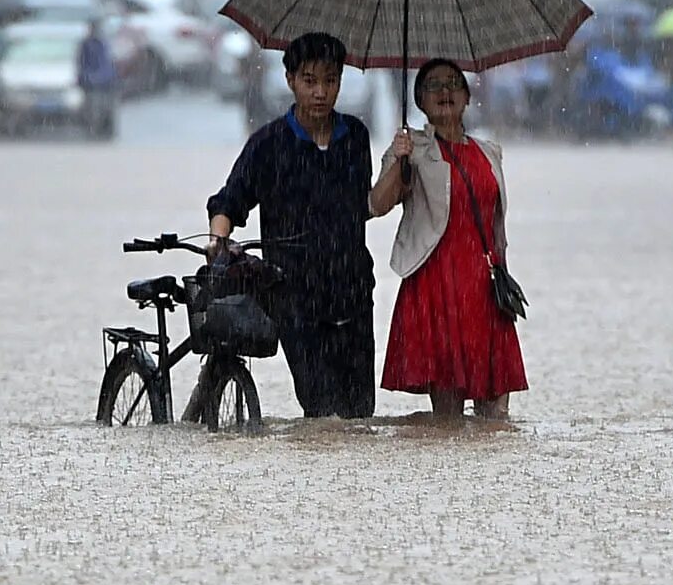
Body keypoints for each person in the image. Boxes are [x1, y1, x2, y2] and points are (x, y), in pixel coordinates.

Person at [208, 32, 376, 419]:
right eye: (310, 80)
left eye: (330, 80)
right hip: (294, 295)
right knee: (322, 413)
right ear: (290, 80)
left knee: (360, 415)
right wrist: (219, 237)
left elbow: (363, 206)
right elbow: (230, 200)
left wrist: (400, 168)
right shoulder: (269, 145)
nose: (320, 92)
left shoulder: (356, 138)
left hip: (352, 291)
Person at [371, 58, 528, 421]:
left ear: (468, 96)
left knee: (496, 417)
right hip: (436, 286)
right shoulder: (412, 150)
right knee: (447, 420)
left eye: (453, 84)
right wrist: (399, 159)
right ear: (420, 102)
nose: (445, 92)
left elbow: (494, 222)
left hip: (486, 288)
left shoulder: (489, 151)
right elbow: (377, 204)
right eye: (433, 86)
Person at [76, 19, 118, 138]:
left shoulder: (102, 44)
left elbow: (108, 63)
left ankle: (102, 129)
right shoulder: (89, 44)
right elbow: (82, 63)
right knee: (95, 108)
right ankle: (96, 129)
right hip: (94, 83)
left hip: (103, 83)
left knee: (103, 107)